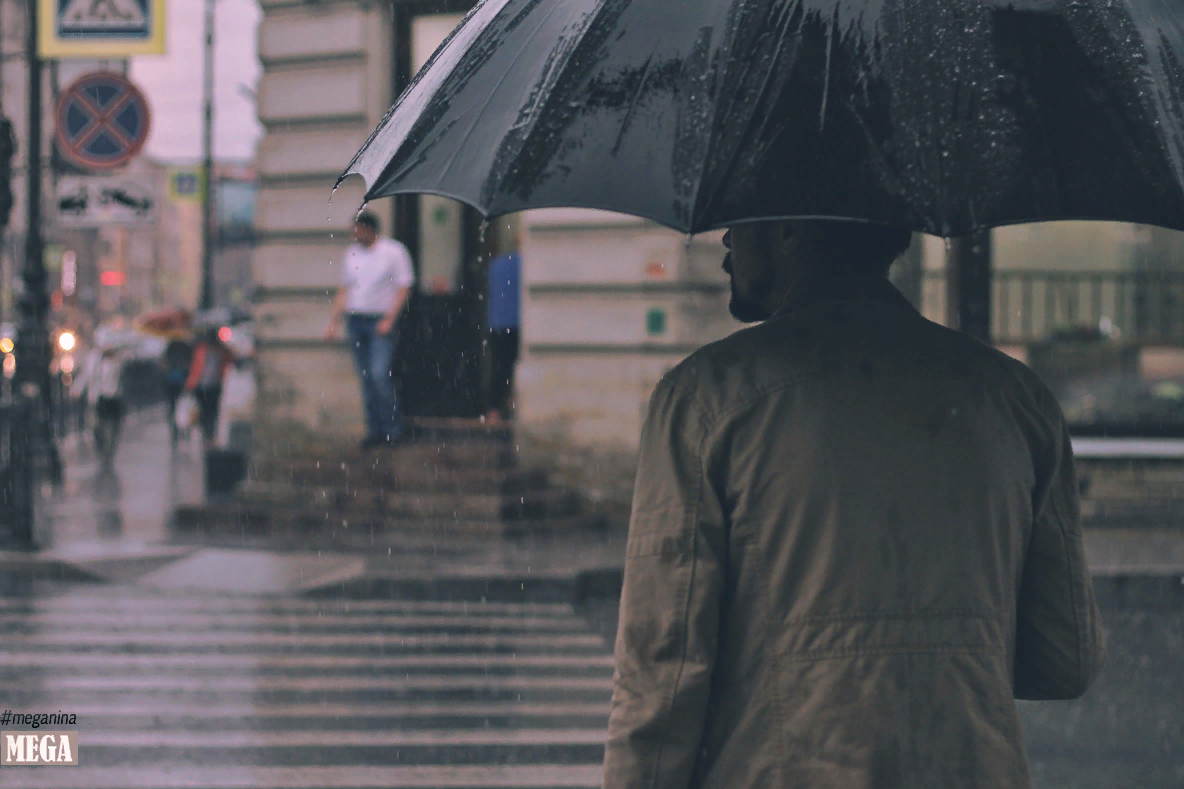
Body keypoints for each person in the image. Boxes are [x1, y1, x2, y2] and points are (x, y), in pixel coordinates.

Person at [603, 220, 1106, 789]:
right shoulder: (1016, 400)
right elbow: (1067, 659)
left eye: (741, 220)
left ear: (789, 229)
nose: (725, 240)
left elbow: (662, 679)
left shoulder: (705, 401)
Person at [324, 210, 415, 449]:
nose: (355, 234)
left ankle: (393, 429)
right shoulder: (351, 254)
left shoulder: (393, 252)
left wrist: (389, 319)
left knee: (378, 374)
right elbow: (344, 290)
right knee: (365, 379)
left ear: (369, 228)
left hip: (379, 321)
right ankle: (375, 430)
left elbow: (404, 288)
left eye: (358, 229)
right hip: (356, 320)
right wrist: (333, 322)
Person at [72, 330, 126, 464]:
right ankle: (102, 449)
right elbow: (85, 375)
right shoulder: (93, 358)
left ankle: (110, 448)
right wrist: (76, 389)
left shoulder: (117, 359)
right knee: (98, 425)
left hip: (114, 396)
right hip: (98, 397)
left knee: (114, 424)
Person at [484, 246, 520, 423]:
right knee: (512, 367)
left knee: (499, 367)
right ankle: (509, 405)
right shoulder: (526, 264)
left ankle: (494, 409)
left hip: (497, 322)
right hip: (517, 322)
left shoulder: (496, 265)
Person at [184, 326, 236, 446]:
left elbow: (232, 358)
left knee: (212, 412)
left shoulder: (221, 349)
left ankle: (210, 436)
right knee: (205, 411)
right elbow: (194, 367)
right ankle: (207, 435)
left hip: (214, 386)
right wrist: (190, 384)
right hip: (200, 385)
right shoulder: (201, 349)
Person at [161, 336, 193, 444]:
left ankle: (175, 431)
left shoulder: (170, 347)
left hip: (172, 383)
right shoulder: (186, 348)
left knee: (173, 407)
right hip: (180, 382)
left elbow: (164, 364)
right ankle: (182, 430)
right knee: (182, 406)